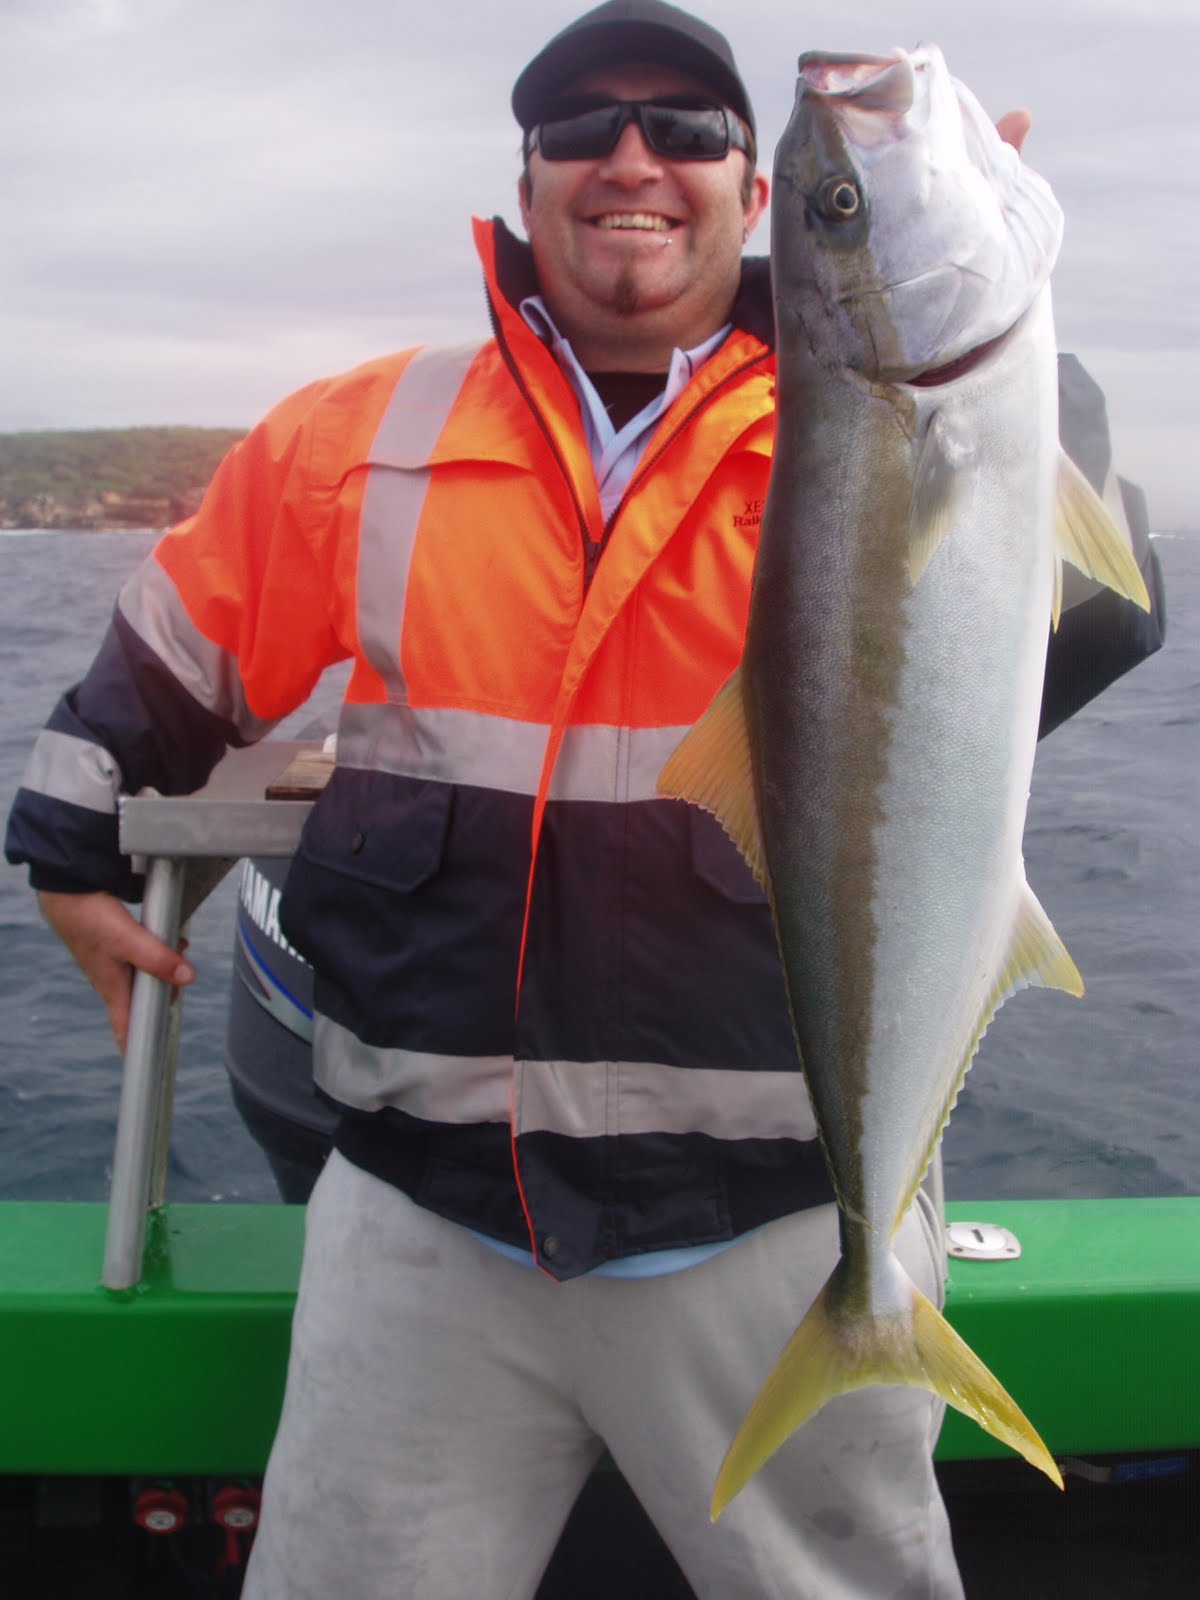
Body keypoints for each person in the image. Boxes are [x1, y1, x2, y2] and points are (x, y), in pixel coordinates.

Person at [5, 3, 1165, 1596]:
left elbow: (1088, 623)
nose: (634, 160)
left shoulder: (855, 432)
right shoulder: (363, 438)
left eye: (689, 130)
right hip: (424, 1229)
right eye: (581, 131)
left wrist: (997, 318)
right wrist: (64, 843)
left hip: (773, 1226)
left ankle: (869, 1301)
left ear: (756, 199)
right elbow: (168, 657)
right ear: (527, 182)